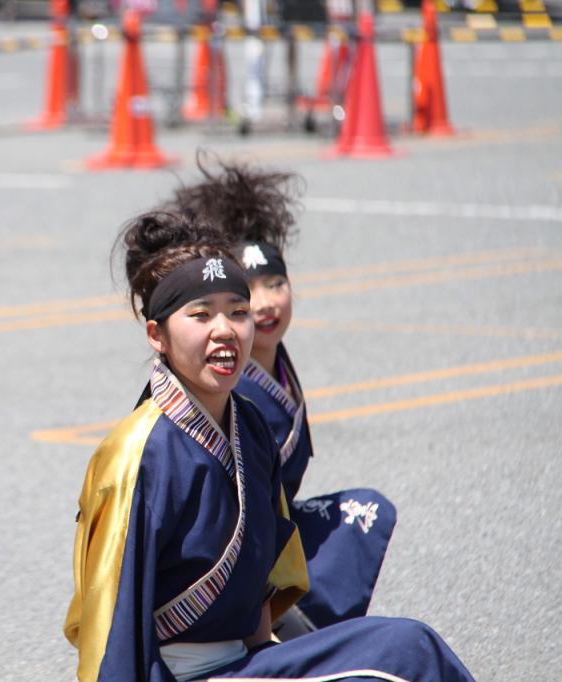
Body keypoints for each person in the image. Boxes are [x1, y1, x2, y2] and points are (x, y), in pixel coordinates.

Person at [63, 210, 473, 681]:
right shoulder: (138, 454)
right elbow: (112, 624)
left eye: (237, 311)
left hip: (244, 660)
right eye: (200, 315)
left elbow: (259, 587)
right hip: (180, 674)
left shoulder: (250, 426)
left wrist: (279, 658)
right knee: (398, 662)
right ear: (157, 335)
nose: (225, 329)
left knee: (408, 644)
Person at [171, 161, 395, 632]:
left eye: (276, 283)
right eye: (249, 292)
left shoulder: (277, 364)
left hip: (275, 529)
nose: (268, 301)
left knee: (365, 514)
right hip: (245, 554)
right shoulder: (232, 386)